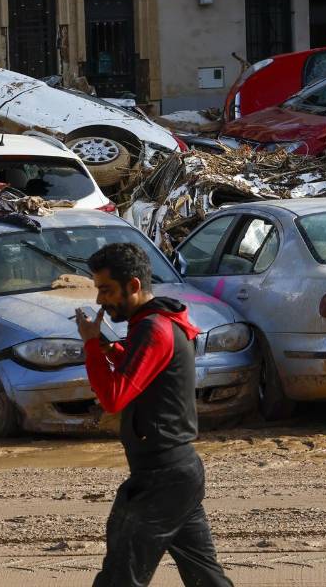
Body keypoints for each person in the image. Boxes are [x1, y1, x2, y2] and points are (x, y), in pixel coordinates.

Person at [75, 242, 233, 587]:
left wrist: (90, 347)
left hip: (163, 476)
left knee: (119, 578)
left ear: (133, 285)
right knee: (206, 578)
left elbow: (115, 397)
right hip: (173, 473)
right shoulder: (150, 323)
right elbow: (145, 372)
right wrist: (109, 349)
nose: (100, 300)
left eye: (106, 289)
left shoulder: (153, 328)